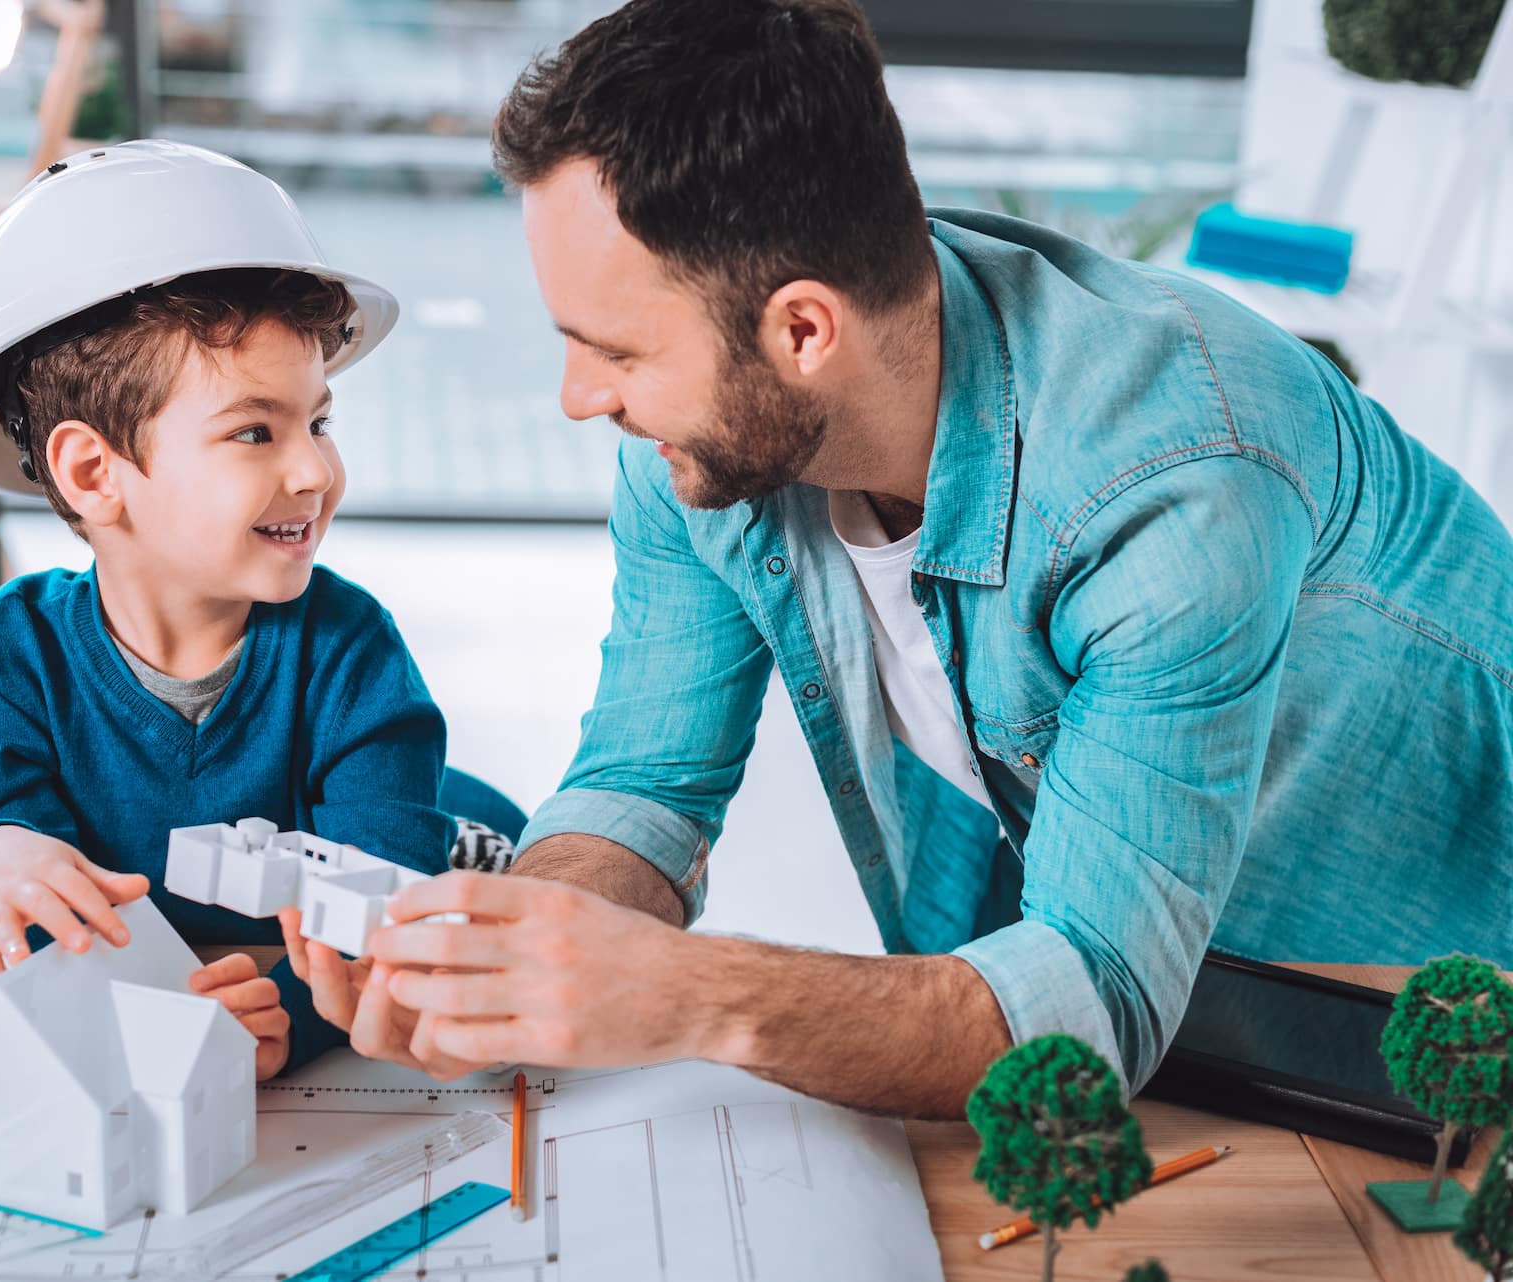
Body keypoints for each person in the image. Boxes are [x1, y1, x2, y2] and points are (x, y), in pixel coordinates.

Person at [290, 0, 1513, 1115]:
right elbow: (647, 783)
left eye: (612, 348)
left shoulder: (1174, 486)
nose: (576, 397)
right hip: (1187, 1012)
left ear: (803, 330)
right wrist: (514, 953)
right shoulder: (706, 433)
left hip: (1429, 1023)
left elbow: (1088, 1016)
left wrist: (685, 989)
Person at [0, 140, 463, 1079]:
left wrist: (291, 1017)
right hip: (130, 959)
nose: (315, 472)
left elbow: (384, 896)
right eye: (255, 431)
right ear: (94, 473)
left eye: (318, 421)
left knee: (477, 897)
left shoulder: (349, 648)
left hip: (403, 862)